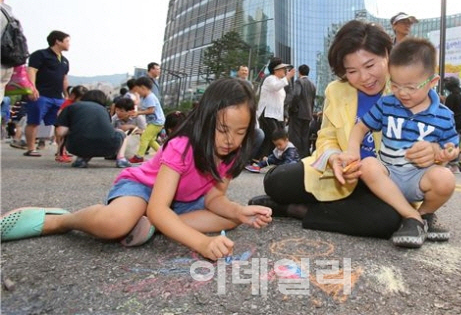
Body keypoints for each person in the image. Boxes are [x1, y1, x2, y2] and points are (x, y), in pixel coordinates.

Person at [0, 78, 272, 261]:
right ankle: (61, 220)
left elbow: (214, 199)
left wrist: (238, 211)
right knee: (113, 224)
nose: (230, 140)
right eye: (223, 129)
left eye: (240, 132)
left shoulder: (231, 153)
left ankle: (154, 226)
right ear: (205, 119)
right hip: (144, 191)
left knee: (231, 220)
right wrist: (201, 243)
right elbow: (157, 205)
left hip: (182, 204)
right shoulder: (182, 145)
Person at [249, 20, 442, 239]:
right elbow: (327, 137)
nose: (364, 78)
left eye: (370, 66)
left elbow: (438, 140)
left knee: (384, 220)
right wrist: (334, 159)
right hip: (340, 175)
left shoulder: (409, 89)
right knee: (276, 181)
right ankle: (341, 206)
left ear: (388, 55)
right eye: (352, 71)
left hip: (386, 183)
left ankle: (295, 210)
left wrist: (432, 150)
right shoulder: (336, 91)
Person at [336, 38, 458, 248]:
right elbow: (360, 127)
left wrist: (438, 150)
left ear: (432, 82)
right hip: (388, 175)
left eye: (410, 87)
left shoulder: (444, 115)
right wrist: (352, 151)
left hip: (418, 178)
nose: (402, 93)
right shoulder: (387, 103)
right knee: (368, 165)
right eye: (395, 84)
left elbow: (454, 147)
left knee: (445, 179)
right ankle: (412, 218)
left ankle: (425, 214)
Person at [53, 90, 131, 168]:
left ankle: (82, 158)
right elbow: (107, 129)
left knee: (85, 136)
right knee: (120, 132)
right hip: (109, 148)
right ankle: (121, 159)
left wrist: (73, 128)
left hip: (76, 147)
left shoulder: (71, 107)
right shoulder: (103, 109)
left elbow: (60, 132)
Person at [23, 30, 70, 157]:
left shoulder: (65, 60)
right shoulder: (40, 55)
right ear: (57, 41)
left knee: (60, 123)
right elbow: (31, 71)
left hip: (58, 97)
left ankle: (61, 150)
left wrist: (67, 95)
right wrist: (32, 88)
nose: (69, 44)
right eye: (67, 41)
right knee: (34, 121)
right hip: (41, 94)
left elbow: (64, 79)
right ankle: (31, 148)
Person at [256, 57, 295, 157]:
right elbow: (275, 86)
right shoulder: (270, 79)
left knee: (272, 137)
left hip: (276, 115)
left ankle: (263, 158)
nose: (285, 71)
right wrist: (288, 77)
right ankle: (257, 159)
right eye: (283, 69)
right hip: (267, 113)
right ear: (276, 70)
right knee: (272, 136)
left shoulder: (279, 81)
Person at [129, 76, 165, 164]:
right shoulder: (146, 97)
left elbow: (151, 110)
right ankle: (163, 154)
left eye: (138, 91)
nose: (137, 93)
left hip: (156, 122)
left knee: (144, 137)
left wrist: (138, 113)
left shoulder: (150, 97)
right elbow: (145, 109)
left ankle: (139, 156)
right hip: (155, 122)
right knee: (151, 140)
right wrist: (137, 111)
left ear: (143, 88)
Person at [288, 64, 317, 158]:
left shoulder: (298, 82)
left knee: (295, 136)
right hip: (308, 114)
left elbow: (296, 95)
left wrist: (293, 108)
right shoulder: (313, 85)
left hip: (298, 113)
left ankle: (295, 156)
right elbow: (312, 101)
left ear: (299, 72)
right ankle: (304, 156)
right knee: (305, 137)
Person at [55, 85, 88, 163]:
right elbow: (60, 113)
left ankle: (63, 153)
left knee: (66, 140)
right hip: (64, 124)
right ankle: (60, 155)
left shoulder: (76, 104)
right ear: (73, 96)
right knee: (63, 140)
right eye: (80, 99)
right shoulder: (68, 103)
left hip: (70, 124)